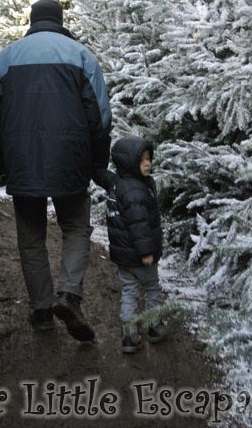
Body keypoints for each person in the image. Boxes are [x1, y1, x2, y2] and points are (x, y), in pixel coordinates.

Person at [0, 0, 112, 342]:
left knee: (31, 238)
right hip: (72, 158)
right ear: (60, 20)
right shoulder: (80, 55)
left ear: (32, 21)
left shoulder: (6, 58)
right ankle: (68, 295)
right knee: (75, 228)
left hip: (22, 161)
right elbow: (99, 117)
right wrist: (99, 164)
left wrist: (1, 166)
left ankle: (41, 311)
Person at [94, 136, 169, 353]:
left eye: (149, 158)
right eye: (142, 160)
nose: (148, 163)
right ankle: (153, 326)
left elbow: (102, 176)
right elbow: (139, 225)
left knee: (129, 290)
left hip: (122, 256)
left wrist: (93, 168)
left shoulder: (118, 183)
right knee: (152, 288)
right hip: (140, 256)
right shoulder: (136, 190)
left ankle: (128, 335)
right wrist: (147, 252)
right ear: (129, 163)